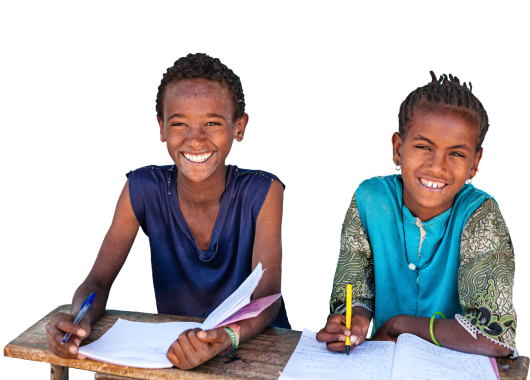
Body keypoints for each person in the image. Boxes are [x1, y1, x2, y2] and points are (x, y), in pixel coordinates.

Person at [46, 52, 291, 369]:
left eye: (212, 123)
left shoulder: (263, 192)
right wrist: (77, 318)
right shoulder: (142, 188)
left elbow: (267, 296)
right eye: (179, 124)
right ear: (162, 128)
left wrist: (224, 338)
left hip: (260, 355)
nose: (195, 139)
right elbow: (97, 282)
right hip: (176, 355)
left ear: (239, 127)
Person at [316, 71, 518, 357]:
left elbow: (494, 337)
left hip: (457, 368)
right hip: (383, 366)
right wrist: (353, 322)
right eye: (423, 147)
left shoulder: (481, 215)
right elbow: (353, 295)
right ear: (398, 149)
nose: (437, 166)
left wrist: (401, 325)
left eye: (457, 154)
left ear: (475, 162)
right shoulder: (370, 200)